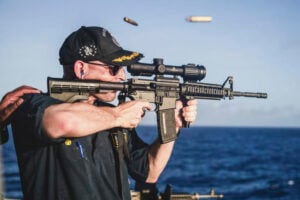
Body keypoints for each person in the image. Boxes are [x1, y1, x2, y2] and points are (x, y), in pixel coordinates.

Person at [10, 26, 198, 200]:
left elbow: (149, 172)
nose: (122, 76)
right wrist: (118, 116)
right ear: (81, 69)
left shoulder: (111, 115)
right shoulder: (33, 104)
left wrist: (173, 126)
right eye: (114, 68)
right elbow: (60, 122)